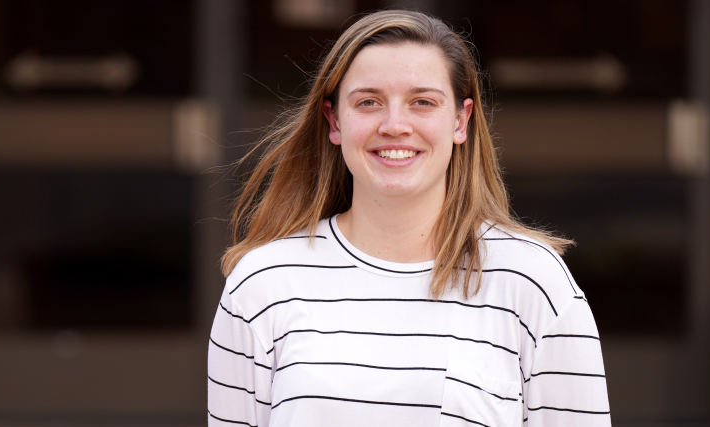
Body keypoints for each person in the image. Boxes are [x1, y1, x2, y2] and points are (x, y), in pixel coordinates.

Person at [207, 9, 610, 427]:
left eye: (422, 102)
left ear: (460, 120)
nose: (395, 125)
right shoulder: (262, 285)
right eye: (368, 102)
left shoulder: (532, 282)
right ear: (334, 120)